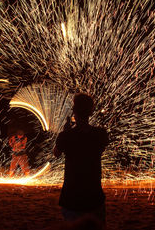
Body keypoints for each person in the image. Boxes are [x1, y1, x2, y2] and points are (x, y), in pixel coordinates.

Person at [54, 93, 109, 228]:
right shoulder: (100, 134)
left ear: (74, 112)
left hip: (71, 196)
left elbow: (56, 153)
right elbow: (100, 150)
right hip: (94, 195)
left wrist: (66, 131)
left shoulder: (66, 135)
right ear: (91, 112)